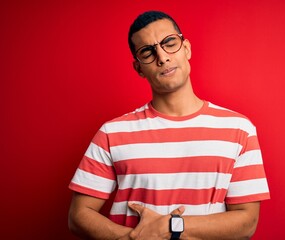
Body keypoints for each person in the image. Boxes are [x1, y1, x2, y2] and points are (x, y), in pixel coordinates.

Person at [68, 10, 270, 240]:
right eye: (148, 52)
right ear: (139, 68)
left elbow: (247, 222)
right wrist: (135, 239)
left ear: (186, 49)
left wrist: (172, 226)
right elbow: (78, 215)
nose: (162, 57)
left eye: (169, 43)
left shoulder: (239, 129)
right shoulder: (112, 133)